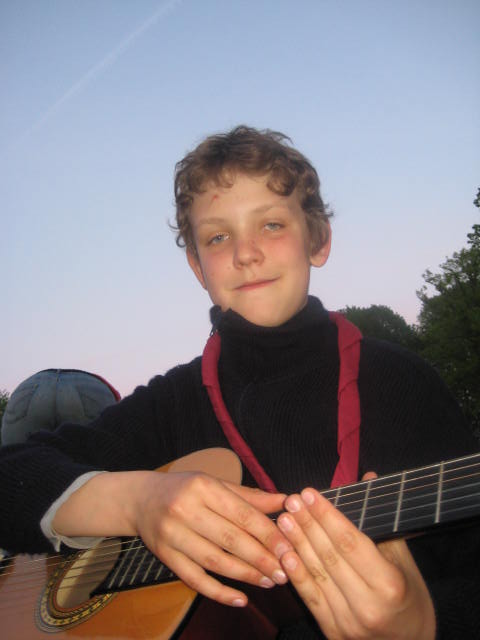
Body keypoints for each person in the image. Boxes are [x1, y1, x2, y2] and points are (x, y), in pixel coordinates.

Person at [0, 126, 478, 639]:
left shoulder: (405, 383)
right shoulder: (173, 402)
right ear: (197, 267)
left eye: (271, 224)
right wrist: (137, 503)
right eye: (218, 237)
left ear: (318, 239)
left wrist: (426, 626)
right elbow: (13, 472)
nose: (246, 253)